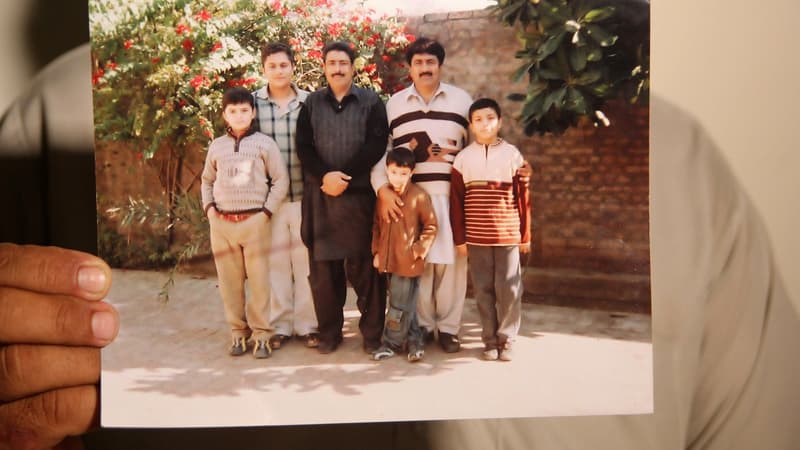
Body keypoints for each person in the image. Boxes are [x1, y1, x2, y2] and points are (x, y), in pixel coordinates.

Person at [2, 44, 799, 450]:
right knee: (335, 285)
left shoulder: (684, 158)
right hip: (323, 207)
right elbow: (310, 155)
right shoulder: (58, 114)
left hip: (429, 219)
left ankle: (448, 339)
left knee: (441, 291)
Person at [370, 37, 472, 354]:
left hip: (450, 195)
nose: (425, 68)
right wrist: (383, 190)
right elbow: (382, 154)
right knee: (420, 262)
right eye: (418, 63)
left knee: (452, 264)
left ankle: (450, 329)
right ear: (410, 68)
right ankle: (424, 326)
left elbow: (474, 146)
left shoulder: (461, 101)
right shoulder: (394, 105)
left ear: (440, 66)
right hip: (411, 198)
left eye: (431, 62)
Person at [295, 41, 389, 354]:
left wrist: (344, 177)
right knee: (324, 274)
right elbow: (304, 147)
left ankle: (373, 336)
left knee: (367, 273)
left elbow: (376, 146)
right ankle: (329, 335)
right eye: (332, 63)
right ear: (324, 67)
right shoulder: (311, 104)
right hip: (321, 198)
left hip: (359, 199)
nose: (337, 68)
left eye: (343, 63)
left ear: (352, 67)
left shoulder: (371, 101)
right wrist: (326, 176)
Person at [201, 86, 289, 359]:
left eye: (244, 110)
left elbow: (280, 180)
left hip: (255, 221)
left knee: (260, 282)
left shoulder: (264, 144)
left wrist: (265, 213)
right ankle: (238, 333)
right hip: (222, 223)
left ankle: (262, 334)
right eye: (232, 111)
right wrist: (210, 211)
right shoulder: (217, 146)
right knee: (230, 283)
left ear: (252, 112)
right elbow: (207, 180)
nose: (238, 116)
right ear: (224, 115)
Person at [449, 98, 531, 362]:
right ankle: (489, 341)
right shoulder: (463, 159)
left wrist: (525, 235)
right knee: (483, 290)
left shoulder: (512, 155)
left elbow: (523, 197)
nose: (485, 124)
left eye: (490, 118)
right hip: (476, 237)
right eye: (478, 119)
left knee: (509, 289)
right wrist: (460, 239)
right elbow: (456, 202)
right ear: (471, 126)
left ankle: (507, 340)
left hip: (507, 235)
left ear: (500, 122)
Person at [252, 42, 319, 350]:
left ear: (293, 66)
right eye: (272, 66)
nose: (278, 71)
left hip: (305, 196)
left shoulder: (310, 102)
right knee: (276, 264)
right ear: (263, 69)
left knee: (306, 263)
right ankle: (279, 325)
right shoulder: (252, 105)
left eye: (283, 65)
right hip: (269, 202)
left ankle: (308, 325)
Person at [370, 148, 437, 362]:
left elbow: (431, 226)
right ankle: (415, 342)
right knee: (406, 304)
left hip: (408, 261)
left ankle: (391, 343)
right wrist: (377, 252)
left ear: (411, 173)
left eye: (402, 173)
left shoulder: (418, 196)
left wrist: (417, 250)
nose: (397, 178)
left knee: (399, 305)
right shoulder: (384, 197)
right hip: (389, 260)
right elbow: (377, 226)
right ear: (387, 171)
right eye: (393, 172)